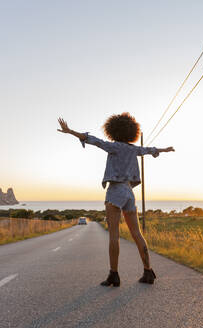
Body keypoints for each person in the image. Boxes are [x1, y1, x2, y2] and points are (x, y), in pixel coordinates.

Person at [57, 113, 174, 286]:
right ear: (131, 131)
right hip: (129, 192)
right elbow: (149, 150)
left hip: (116, 190)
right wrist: (164, 150)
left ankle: (114, 275)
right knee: (137, 234)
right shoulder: (133, 149)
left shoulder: (114, 147)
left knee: (114, 236)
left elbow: (92, 140)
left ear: (112, 130)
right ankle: (148, 271)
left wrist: (70, 131)